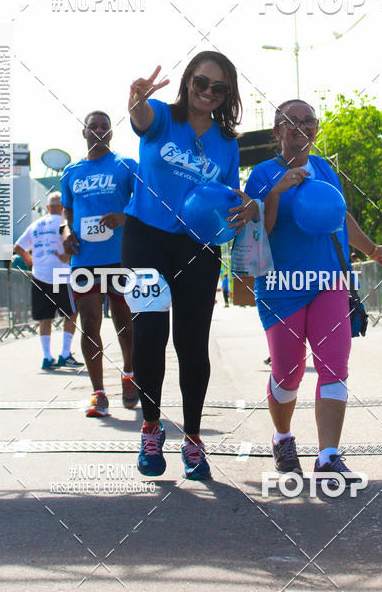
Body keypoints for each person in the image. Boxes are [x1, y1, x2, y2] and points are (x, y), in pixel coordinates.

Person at [245, 98, 382, 484]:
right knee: (287, 372)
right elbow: (263, 229)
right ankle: (283, 437)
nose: (300, 127)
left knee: (334, 365)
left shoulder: (325, 168)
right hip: (281, 287)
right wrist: (275, 192)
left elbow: (339, 215)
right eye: (291, 121)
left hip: (330, 281)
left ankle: (328, 454)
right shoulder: (261, 174)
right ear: (277, 131)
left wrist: (372, 249)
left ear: (316, 129)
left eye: (308, 121)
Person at [122, 54, 257, 480]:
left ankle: (194, 440)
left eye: (219, 88)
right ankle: (150, 427)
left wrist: (246, 206)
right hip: (145, 237)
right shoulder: (162, 117)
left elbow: (228, 195)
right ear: (188, 81)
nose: (208, 92)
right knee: (148, 334)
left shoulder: (226, 141)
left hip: (198, 246)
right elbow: (140, 118)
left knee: (192, 343)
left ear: (227, 95)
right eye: (202, 81)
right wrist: (137, 99)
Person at [61, 110, 139, 417]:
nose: (97, 130)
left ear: (110, 132)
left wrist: (124, 216)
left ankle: (130, 376)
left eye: (103, 126)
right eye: (91, 126)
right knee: (90, 323)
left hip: (120, 257)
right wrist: (67, 232)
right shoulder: (71, 171)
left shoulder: (125, 165)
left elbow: (143, 201)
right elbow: (68, 210)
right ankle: (98, 392)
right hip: (84, 260)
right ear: (84, 132)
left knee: (123, 321)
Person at [14, 192, 81, 371]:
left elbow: (18, 247)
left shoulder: (35, 225)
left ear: (47, 208)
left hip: (39, 275)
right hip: (61, 274)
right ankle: (65, 353)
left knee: (45, 317)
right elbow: (70, 247)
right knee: (72, 313)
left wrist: (29, 261)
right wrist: (65, 256)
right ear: (63, 208)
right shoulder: (63, 223)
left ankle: (46, 356)